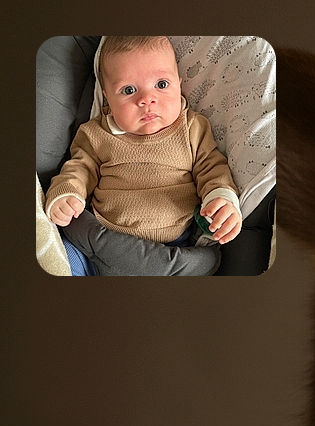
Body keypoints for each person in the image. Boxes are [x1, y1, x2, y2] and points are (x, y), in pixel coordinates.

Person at [44, 35, 240, 270]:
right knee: (60, 261)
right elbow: (79, 168)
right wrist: (67, 195)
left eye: (161, 85)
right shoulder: (95, 133)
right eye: (128, 89)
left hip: (173, 245)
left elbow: (212, 166)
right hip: (100, 243)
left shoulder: (192, 127)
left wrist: (221, 198)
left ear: (179, 84)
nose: (147, 99)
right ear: (107, 96)